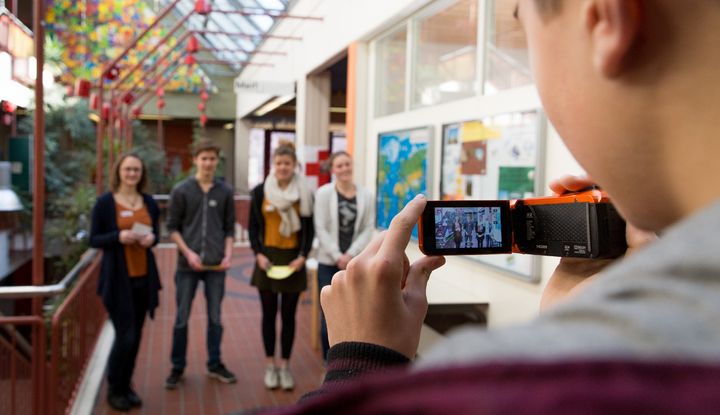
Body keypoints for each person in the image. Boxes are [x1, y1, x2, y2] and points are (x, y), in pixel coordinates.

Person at [263, 0, 720, 412]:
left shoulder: (500, 388)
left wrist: (359, 363)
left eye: (523, 30)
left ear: (602, 17)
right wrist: (573, 323)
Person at [90, 153, 161, 411]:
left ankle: (126, 385)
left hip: (144, 277)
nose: (132, 174)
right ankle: (115, 388)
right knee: (125, 335)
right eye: (128, 169)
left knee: (137, 334)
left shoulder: (149, 202)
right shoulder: (105, 204)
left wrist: (151, 239)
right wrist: (118, 236)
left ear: (142, 175)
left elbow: (157, 233)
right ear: (119, 171)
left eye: (137, 170)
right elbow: (94, 239)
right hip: (118, 280)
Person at [165, 139, 236, 389]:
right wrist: (188, 253)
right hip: (187, 267)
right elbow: (172, 228)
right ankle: (177, 367)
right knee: (182, 317)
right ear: (195, 160)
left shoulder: (225, 191)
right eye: (203, 158)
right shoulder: (181, 190)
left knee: (215, 317)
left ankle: (215, 363)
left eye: (212, 159)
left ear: (217, 162)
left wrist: (228, 255)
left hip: (216, 266)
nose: (208, 163)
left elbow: (229, 228)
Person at [249, 141, 314, 390]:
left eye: (287, 163)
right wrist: (257, 254)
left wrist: (303, 256)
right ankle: (270, 366)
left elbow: (309, 229)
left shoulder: (305, 193)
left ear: (294, 165)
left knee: (288, 316)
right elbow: (253, 227)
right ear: (273, 165)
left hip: (293, 260)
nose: (282, 167)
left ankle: (285, 367)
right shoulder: (260, 192)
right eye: (278, 163)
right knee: (268, 314)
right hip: (267, 258)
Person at [314, 151, 375, 360]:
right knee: (329, 316)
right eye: (339, 166)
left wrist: (350, 254)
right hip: (328, 262)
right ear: (333, 170)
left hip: (356, 263)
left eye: (347, 164)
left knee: (356, 314)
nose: (344, 169)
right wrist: (337, 255)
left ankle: (351, 362)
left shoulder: (366, 195)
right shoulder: (323, 194)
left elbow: (368, 228)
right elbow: (320, 227)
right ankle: (328, 363)